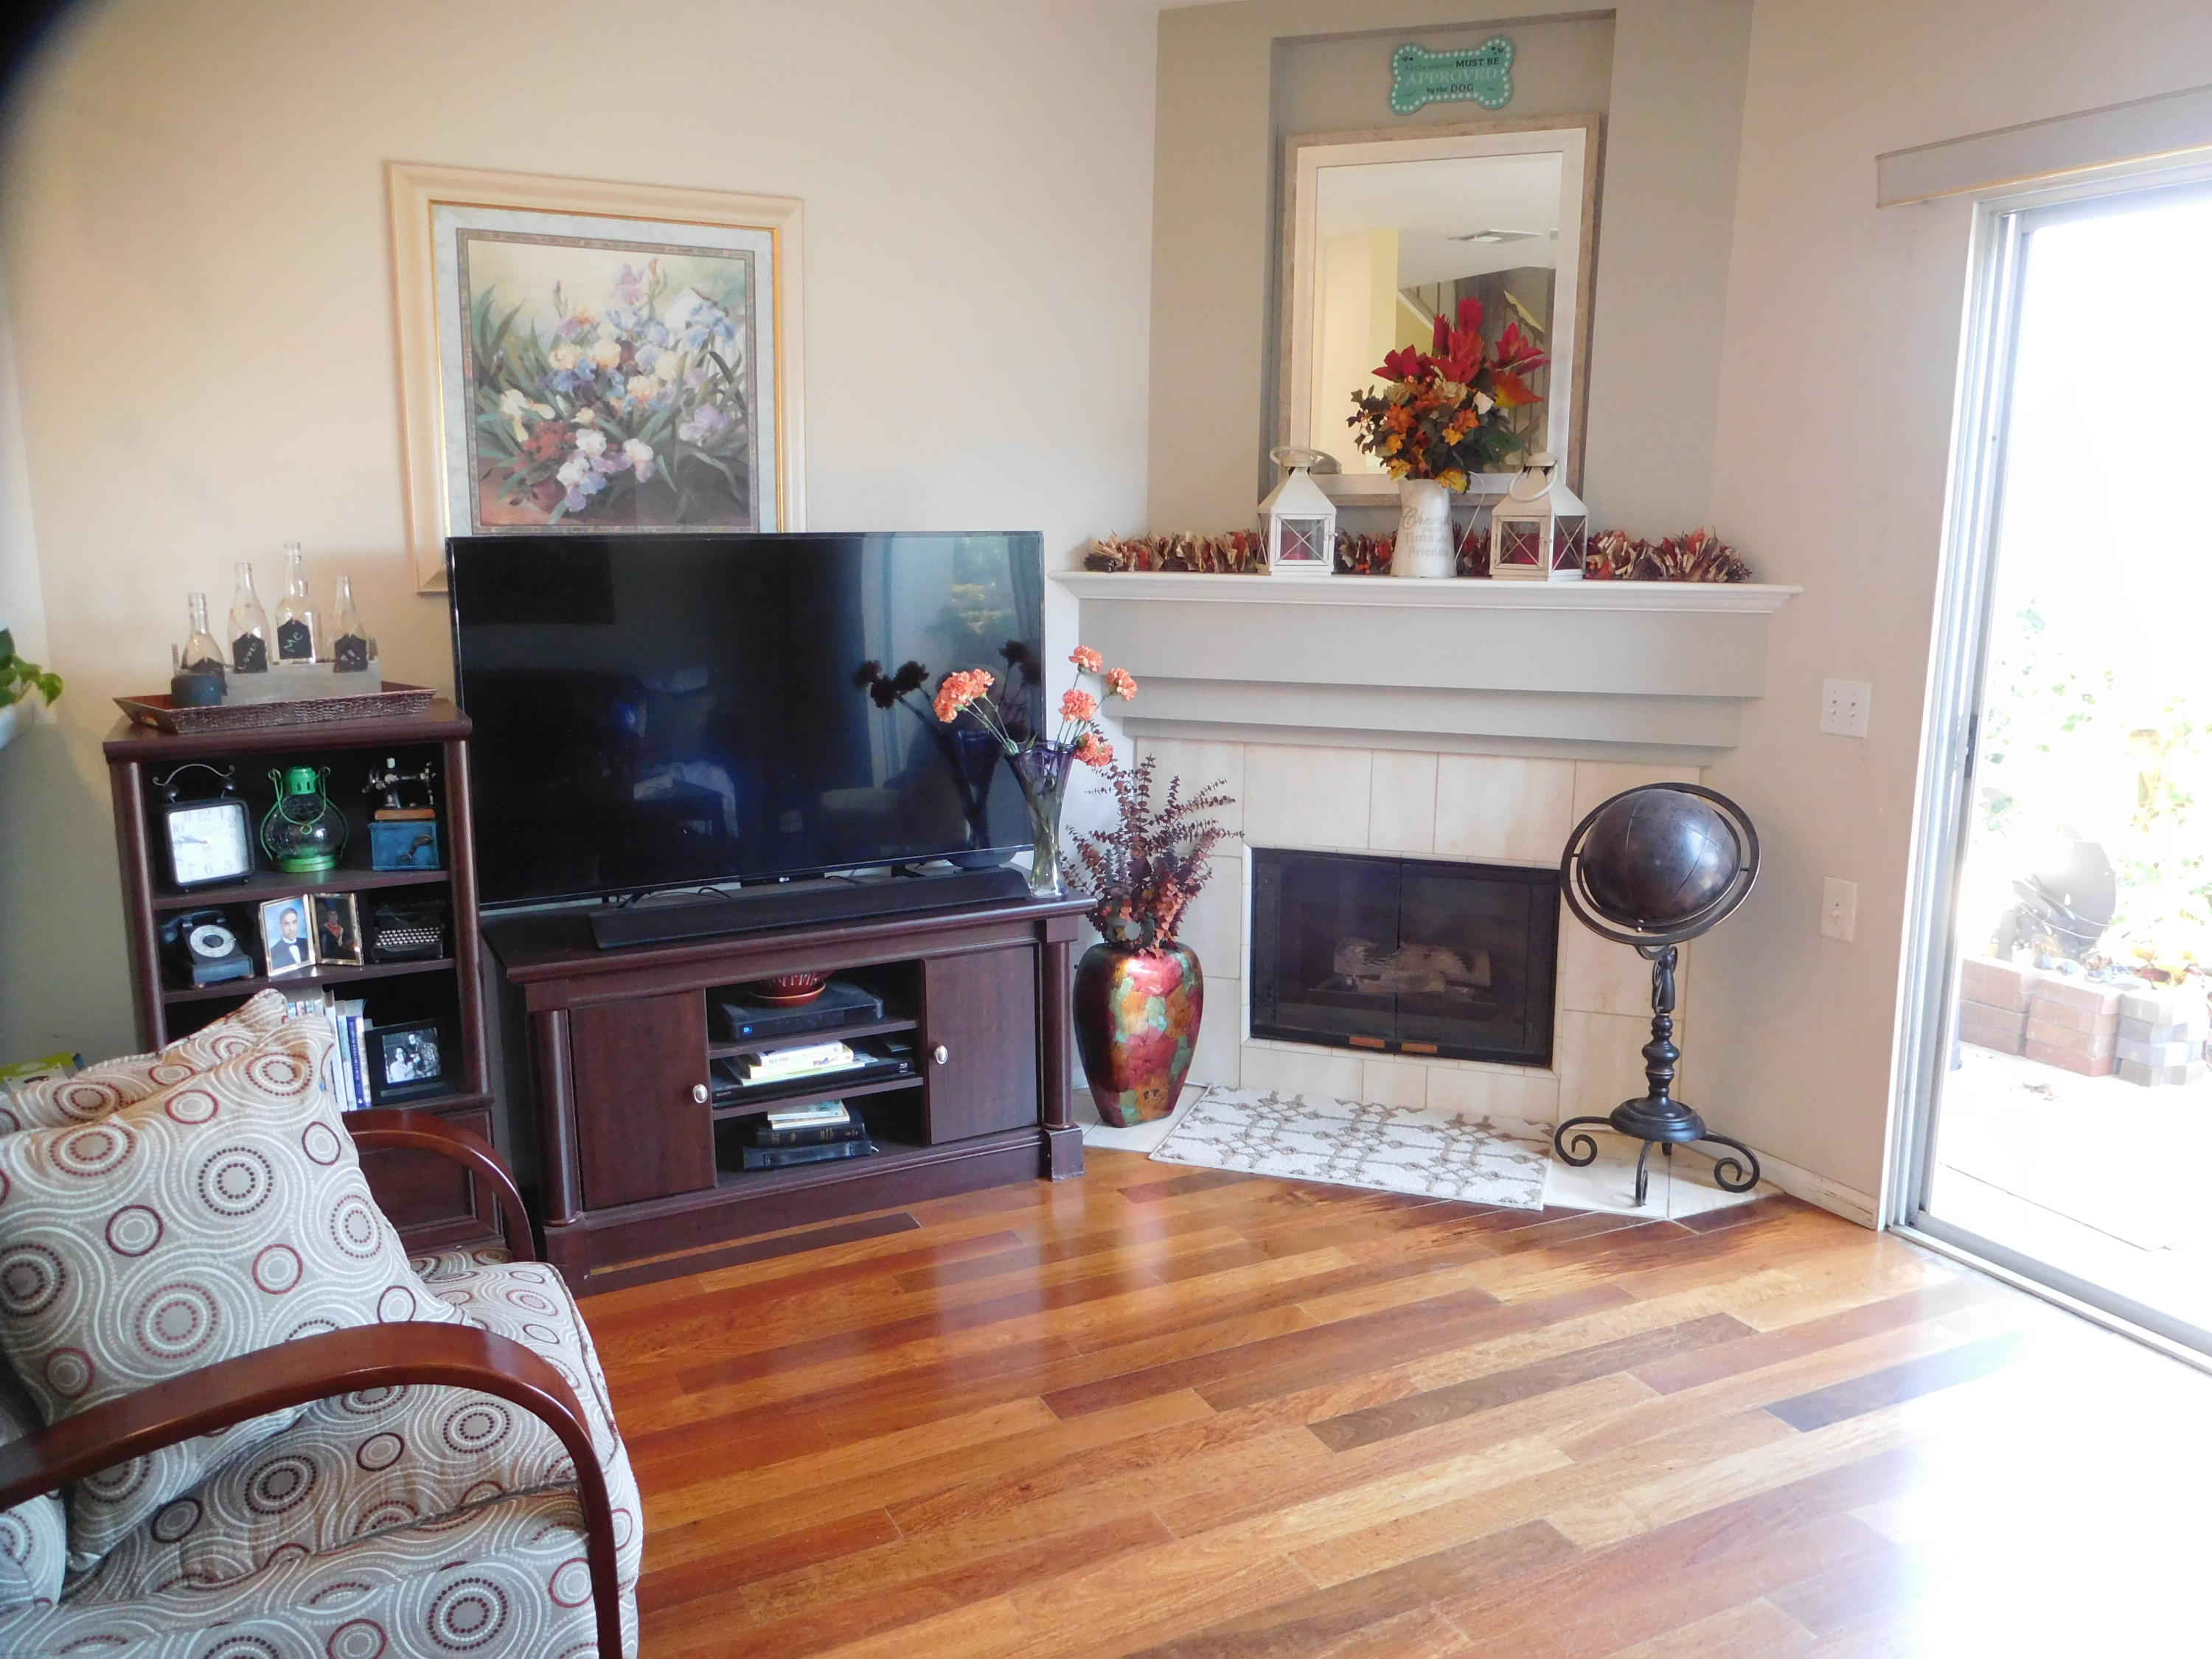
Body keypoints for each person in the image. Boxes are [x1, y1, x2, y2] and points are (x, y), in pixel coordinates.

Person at [267, 905, 310, 972]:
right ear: (281, 926)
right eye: (287, 924)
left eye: (294, 922)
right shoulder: (273, 952)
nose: (291, 928)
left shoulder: (308, 943)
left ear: (298, 923)